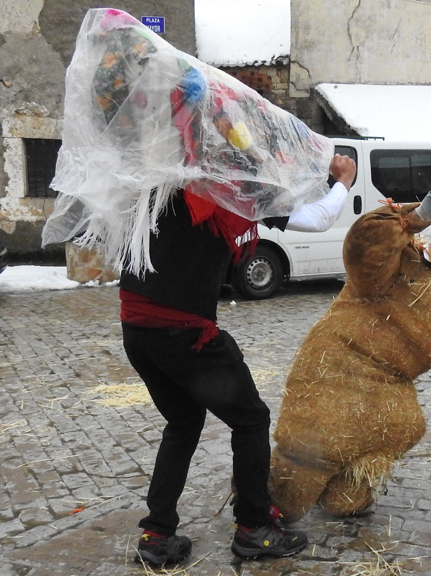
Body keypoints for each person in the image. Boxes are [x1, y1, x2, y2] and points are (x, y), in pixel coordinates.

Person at [122, 154, 357, 567]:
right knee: (250, 420)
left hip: (137, 328)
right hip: (186, 333)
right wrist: (343, 181)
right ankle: (253, 529)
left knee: (182, 422)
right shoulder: (233, 184)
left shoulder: (163, 172)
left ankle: (157, 534)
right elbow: (318, 219)